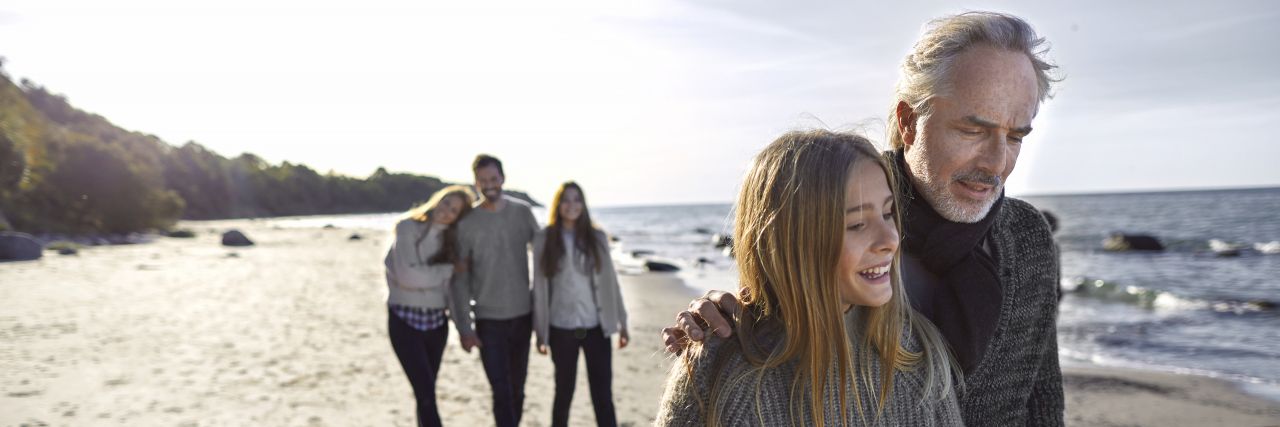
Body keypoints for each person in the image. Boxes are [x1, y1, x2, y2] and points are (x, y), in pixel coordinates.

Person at [662, 11, 1065, 426]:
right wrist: (717, 324)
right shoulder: (832, 211)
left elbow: (1043, 399)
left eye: (1016, 136)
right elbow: (778, 310)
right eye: (973, 131)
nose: (998, 163)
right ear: (909, 122)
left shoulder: (1027, 237)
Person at [656, 130, 962, 427]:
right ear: (790, 242)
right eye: (856, 224)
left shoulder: (917, 353)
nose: (890, 239)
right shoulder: (719, 368)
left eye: (887, 213)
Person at [451, 154, 540, 427]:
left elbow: (546, 254)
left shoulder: (522, 212)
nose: (489, 185)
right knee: (501, 392)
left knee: (517, 390)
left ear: (502, 178)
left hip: (522, 316)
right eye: (482, 181)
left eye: (493, 179)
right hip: (488, 320)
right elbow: (459, 280)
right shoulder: (467, 223)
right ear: (475, 183)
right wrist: (465, 328)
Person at [532, 181, 629, 427]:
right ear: (558, 205)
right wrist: (540, 332)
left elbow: (611, 282)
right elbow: (540, 289)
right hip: (560, 329)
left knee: (603, 396)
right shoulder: (545, 238)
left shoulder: (597, 237)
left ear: (583, 205)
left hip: (596, 328)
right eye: (566, 199)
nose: (572, 205)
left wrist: (622, 321)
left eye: (577, 199)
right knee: (563, 394)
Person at [384, 185, 474, 427]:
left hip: (436, 325)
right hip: (404, 321)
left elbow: (452, 292)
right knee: (425, 394)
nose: (446, 211)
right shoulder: (408, 227)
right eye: (446, 203)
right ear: (437, 200)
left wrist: (464, 329)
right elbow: (407, 275)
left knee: (426, 393)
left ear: (458, 217)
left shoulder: (452, 242)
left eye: (454, 210)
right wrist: (448, 270)